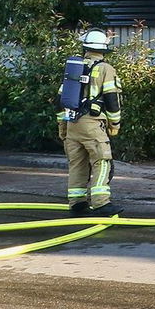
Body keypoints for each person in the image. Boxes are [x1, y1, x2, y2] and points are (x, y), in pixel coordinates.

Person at [56, 29, 122, 216]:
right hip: (92, 124)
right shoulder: (105, 69)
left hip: (72, 124)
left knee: (77, 164)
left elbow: (59, 101)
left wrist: (62, 127)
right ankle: (101, 203)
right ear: (103, 50)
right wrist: (115, 125)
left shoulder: (73, 69)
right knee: (102, 162)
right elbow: (111, 99)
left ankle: (77, 205)